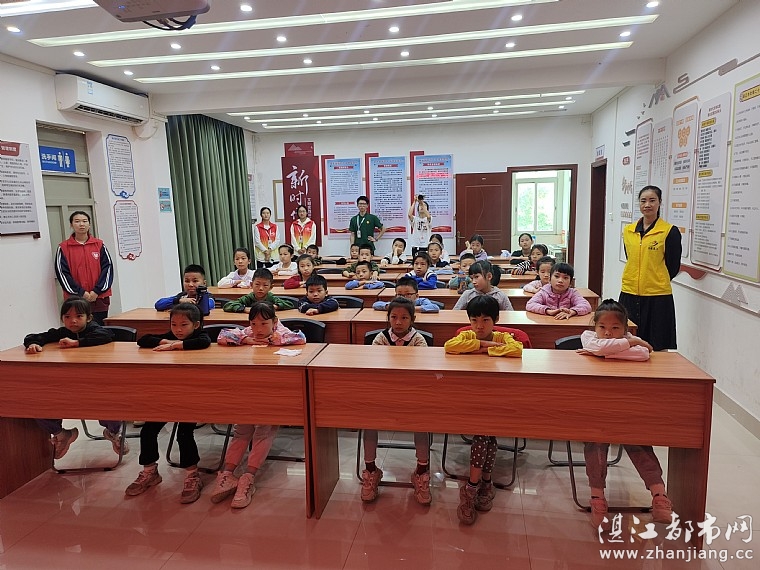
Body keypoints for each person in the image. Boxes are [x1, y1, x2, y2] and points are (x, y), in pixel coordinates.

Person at [576, 299, 673, 528]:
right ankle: (597, 497)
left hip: (627, 407)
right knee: (596, 442)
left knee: (637, 440)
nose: (608, 333)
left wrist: (607, 352)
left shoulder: (627, 343)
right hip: (595, 407)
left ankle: (659, 494)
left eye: (615, 328)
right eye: (602, 327)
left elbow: (642, 355)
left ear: (625, 328)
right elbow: (598, 347)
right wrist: (629, 344)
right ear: (594, 326)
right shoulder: (588, 336)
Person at [213, 302, 306, 508]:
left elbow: (301, 338)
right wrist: (245, 339)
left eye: (264, 324)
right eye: (254, 324)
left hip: (273, 392)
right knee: (242, 429)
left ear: (274, 322)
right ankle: (227, 473)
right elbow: (222, 336)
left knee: (263, 430)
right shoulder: (249, 332)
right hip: (248, 391)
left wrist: (277, 340)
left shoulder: (282, 332)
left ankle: (249, 476)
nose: (258, 329)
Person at [444, 295, 523, 525]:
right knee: (485, 433)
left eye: (486, 320)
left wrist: (480, 350)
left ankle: (473, 486)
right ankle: (484, 483)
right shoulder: (467, 335)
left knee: (485, 432)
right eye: (474, 320)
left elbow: (517, 350)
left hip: (497, 398)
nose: (479, 326)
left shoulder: (503, 336)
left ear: (496, 320)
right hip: (470, 398)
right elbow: (450, 346)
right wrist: (486, 345)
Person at [127, 303, 212, 503]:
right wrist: (167, 340)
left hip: (191, 397)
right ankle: (150, 471)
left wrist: (176, 345)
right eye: (174, 325)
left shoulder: (199, 337)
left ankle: (192, 474)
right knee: (148, 431)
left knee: (184, 433)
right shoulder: (170, 336)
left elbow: (204, 341)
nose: (178, 330)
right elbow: (143, 340)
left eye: (184, 325)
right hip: (167, 397)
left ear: (196, 325)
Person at [23, 296, 126, 460]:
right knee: (36, 403)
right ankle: (61, 434)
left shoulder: (94, 329)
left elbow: (106, 334)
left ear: (89, 318)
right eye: (67, 317)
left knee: (110, 402)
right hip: (68, 387)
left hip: (96, 385)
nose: (73, 321)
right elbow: (33, 336)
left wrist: (77, 343)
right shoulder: (62, 332)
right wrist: (33, 344)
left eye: (79, 316)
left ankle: (113, 432)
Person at [362, 297, 431, 504]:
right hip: (383, 392)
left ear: (412, 319)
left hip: (411, 393)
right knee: (368, 420)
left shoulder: (419, 340)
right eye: (393, 317)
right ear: (388, 318)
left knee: (421, 421)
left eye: (404, 318)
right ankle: (371, 469)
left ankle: (421, 471)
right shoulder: (380, 338)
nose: (398, 322)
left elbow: (422, 367)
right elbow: (374, 365)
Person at [619, 185, 682, 351]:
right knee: (628, 341)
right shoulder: (628, 231)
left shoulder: (669, 231)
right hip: (629, 292)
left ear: (660, 202)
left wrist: (656, 278)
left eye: (652, 200)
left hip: (657, 295)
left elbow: (673, 266)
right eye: (643, 201)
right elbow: (630, 257)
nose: (647, 205)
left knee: (657, 344)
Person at [54, 210, 114, 325]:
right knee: (78, 327)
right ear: (71, 225)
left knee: (99, 328)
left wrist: (97, 291)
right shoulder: (63, 247)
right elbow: (62, 274)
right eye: (77, 221)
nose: (81, 224)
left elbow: (108, 269)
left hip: (98, 297)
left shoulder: (99, 245)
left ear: (89, 224)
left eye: (85, 221)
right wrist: (81, 293)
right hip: (76, 298)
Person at [526, 262, 591, 319]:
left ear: (570, 282)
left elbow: (586, 306)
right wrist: (548, 311)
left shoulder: (572, 293)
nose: (560, 281)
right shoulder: (544, 292)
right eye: (557, 276)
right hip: (547, 323)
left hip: (567, 323)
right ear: (550, 279)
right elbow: (530, 304)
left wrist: (571, 312)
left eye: (565, 278)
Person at [222, 268, 295, 312]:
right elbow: (228, 305)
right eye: (257, 284)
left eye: (265, 285)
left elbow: (290, 304)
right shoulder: (248, 298)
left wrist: (275, 306)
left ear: (271, 287)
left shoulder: (271, 297)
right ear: (251, 285)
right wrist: (243, 309)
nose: (260, 288)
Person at [372, 275, 440, 313]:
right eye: (400, 294)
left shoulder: (421, 301)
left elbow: (435, 307)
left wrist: (410, 308)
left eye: (408, 294)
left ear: (416, 296)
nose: (403, 297)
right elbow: (376, 304)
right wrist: (391, 307)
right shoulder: (396, 303)